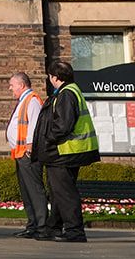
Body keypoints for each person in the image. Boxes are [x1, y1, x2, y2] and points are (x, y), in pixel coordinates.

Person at [34, 60, 100, 243]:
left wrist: (47, 138)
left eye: (50, 76)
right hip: (69, 151)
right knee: (58, 192)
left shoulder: (66, 94)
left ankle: (75, 231)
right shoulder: (71, 92)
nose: (50, 80)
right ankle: (53, 227)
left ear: (55, 77)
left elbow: (63, 125)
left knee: (65, 192)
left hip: (64, 151)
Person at [6, 71, 48, 238]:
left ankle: (42, 226)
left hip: (27, 153)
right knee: (27, 191)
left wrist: (30, 146)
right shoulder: (24, 100)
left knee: (35, 190)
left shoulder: (32, 100)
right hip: (20, 152)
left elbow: (35, 125)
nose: (10, 88)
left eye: (12, 85)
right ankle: (32, 225)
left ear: (21, 85)